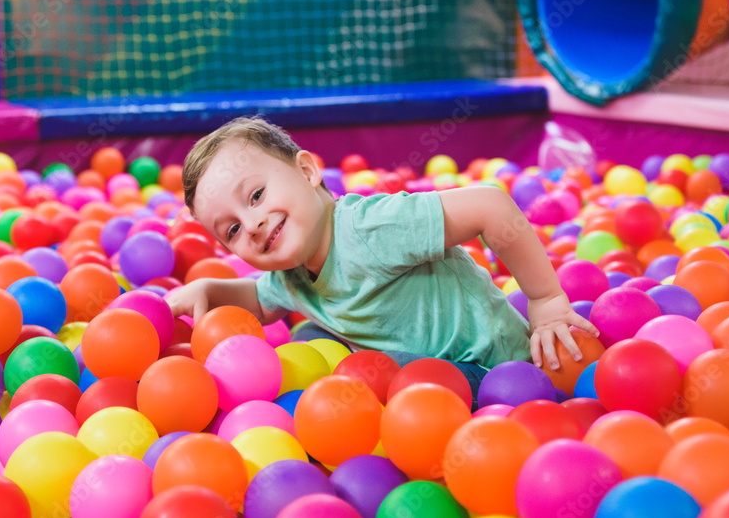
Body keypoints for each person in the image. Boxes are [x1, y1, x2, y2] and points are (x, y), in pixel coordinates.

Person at [168, 116, 598, 397]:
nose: (255, 223)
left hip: (496, 368)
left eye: (257, 195)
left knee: (397, 390)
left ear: (306, 171)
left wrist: (545, 302)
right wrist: (209, 289)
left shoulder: (371, 229)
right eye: (234, 230)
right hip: (425, 388)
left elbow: (491, 204)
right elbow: (261, 302)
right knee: (316, 349)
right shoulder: (292, 274)